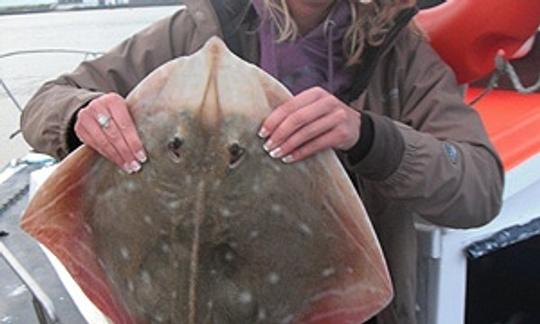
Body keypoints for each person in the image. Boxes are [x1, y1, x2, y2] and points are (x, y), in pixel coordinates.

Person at [20, 0, 504, 323]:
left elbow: (479, 189)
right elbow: (48, 100)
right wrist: (80, 114)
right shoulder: (196, 31)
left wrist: (370, 138)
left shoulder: (403, 58)